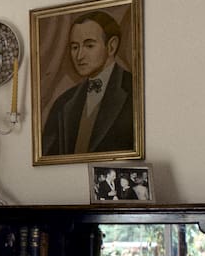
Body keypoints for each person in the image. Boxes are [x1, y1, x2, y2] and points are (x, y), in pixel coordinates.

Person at [41, 10, 135, 157]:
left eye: (89, 46)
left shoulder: (135, 92)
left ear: (111, 46)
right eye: (74, 47)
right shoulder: (63, 102)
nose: (79, 56)